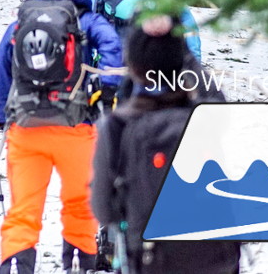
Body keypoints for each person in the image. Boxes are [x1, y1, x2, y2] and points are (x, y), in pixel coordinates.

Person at [0, 0, 124, 274]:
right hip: (76, 128)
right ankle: (79, 263)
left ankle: (16, 266)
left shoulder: (21, 21)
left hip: (26, 129)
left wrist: (3, 117)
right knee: (79, 204)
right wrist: (106, 89)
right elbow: (113, 50)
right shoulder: (85, 19)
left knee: (23, 208)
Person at [91, 17, 236, 274]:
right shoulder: (205, 118)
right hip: (216, 255)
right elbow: (217, 99)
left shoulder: (117, 127)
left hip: (152, 257)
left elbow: (103, 208)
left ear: (133, 67)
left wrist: (129, 212)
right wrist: (181, 52)